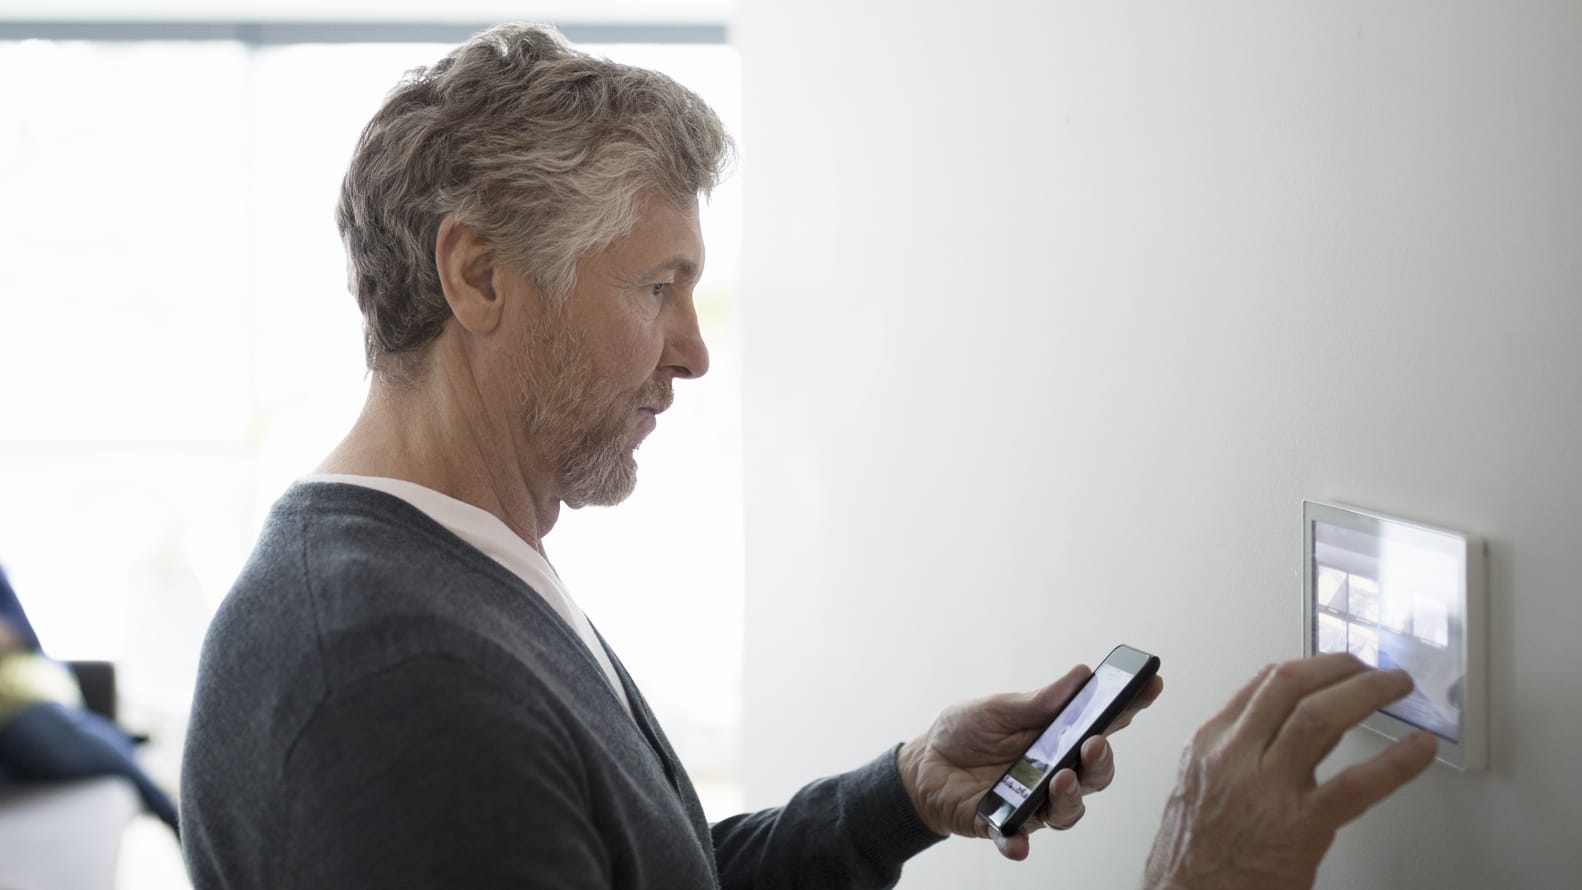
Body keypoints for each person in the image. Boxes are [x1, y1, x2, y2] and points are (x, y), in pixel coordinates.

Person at [180, 23, 1436, 889]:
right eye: (657, 287)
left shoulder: (436, 572)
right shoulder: (391, 677)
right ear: (479, 274)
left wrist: (898, 794)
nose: (691, 352)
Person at [0, 566, 180, 834]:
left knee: (108, 752)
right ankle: (128, 747)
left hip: (30, 696)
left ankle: (171, 814)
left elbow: (22, 632)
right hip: (18, 714)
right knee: (112, 755)